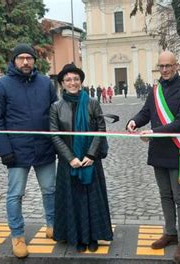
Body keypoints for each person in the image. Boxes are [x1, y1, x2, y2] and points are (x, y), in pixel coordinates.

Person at [0, 43, 57, 259]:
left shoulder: (46, 83)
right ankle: (17, 235)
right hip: (16, 151)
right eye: (21, 58)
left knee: (50, 189)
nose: (25, 62)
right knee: (15, 194)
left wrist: (58, 142)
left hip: (44, 148)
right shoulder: (2, 86)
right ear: (14, 61)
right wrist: (4, 150)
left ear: (34, 60)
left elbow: (55, 114)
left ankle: (52, 224)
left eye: (29, 58)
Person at [127, 51, 180, 264]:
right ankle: (170, 232)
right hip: (159, 152)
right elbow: (146, 112)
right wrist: (134, 122)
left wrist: (154, 133)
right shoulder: (155, 90)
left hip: (177, 151)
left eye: (168, 66)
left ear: (176, 66)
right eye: (161, 66)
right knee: (165, 195)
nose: (164, 70)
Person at [50, 63, 113, 252]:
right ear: (62, 83)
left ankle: (93, 236)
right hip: (68, 161)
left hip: (89, 160)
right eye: (68, 79)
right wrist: (70, 158)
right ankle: (76, 237)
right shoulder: (56, 107)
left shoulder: (92, 102)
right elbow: (54, 134)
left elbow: (100, 129)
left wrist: (91, 155)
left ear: (81, 81)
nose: (72, 82)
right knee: (73, 199)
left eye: (76, 79)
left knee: (91, 199)